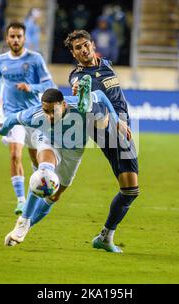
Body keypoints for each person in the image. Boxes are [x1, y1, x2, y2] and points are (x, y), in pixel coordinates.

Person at [0, 87, 130, 247]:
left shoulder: (79, 105)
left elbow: (101, 95)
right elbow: (12, 118)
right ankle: (24, 221)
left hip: (73, 152)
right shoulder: (35, 115)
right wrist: (3, 130)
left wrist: (116, 121)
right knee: (43, 175)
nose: (50, 116)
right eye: (46, 111)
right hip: (48, 142)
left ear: (64, 105)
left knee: (54, 196)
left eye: (53, 111)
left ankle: (28, 226)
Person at [64, 30, 139, 253]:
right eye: (78, 48)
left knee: (131, 191)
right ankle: (105, 237)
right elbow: (81, 90)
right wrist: (78, 92)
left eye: (85, 45)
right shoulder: (78, 76)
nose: (83, 50)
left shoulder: (105, 64)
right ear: (73, 53)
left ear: (92, 44)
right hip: (106, 128)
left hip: (124, 125)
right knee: (130, 189)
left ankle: (105, 237)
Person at [0, 22, 55, 215]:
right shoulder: (1, 60)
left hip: (34, 114)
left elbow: (50, 84)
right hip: (12, 115)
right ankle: (21, 200)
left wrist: (31, 88)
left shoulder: (35, 59)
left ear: (24, 38)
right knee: (14, 155)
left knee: (36, 160)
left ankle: (40, 186)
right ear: (7, 38)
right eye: (12, 36)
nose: (15, 40)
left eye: (19, 36)